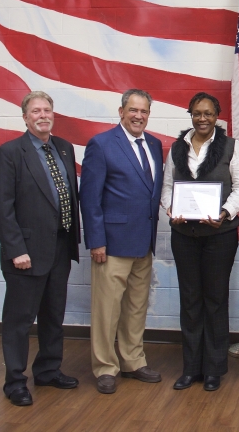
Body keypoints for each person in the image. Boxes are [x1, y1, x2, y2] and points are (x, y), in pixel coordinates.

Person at [0, 91, 80, 406]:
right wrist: (16, 249)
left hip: (60, 246)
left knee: (53, 315)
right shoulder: (10, 153)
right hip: (25, 252)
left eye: (47, 109)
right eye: (36, 110)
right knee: (19, 320)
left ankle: (48, 370)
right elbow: (2, 207)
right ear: (25, 117)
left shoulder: (64, 149)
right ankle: (14, 381)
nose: (43, 115)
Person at [161, 92, 239, 392]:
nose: (202, 118)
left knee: (215, 300)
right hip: (184, 236)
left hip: (219, 236)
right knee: (190, 301)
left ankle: (213, 369)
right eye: (197, 113)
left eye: (208, 113)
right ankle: (191, 369)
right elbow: (168, 187)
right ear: (190, 114)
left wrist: (224, 213)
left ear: (217, 115)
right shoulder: (176, 148)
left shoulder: (231, 148)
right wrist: (171, 210)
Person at [80, 89, 164, 394]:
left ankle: (132, 360)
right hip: (112, 244)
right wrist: (96, 242)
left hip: (144, 242)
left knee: (136, 307)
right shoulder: (101, 144)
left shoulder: (154, 145)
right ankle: (105, 366)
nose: (138, 116)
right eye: (133, 110)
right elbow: (89, 199)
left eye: (144, 111)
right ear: (121, 111)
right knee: (106, 309)